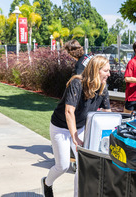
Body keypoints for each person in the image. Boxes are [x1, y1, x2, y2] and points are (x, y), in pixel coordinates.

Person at [41, 56, 111, 197]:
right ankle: (47, 183)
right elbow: (69, 111)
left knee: (83, 167)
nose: (109, 74)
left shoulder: (103, 88)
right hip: (61, 127)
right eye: (106, 71)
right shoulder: (77, 83)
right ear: (96, 71)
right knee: (63, 166)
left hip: (80, 127)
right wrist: (75, 137)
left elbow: (107, 113)